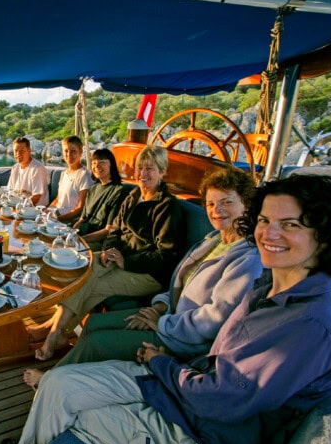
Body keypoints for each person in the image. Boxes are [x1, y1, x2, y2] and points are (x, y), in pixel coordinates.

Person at [14, 174, 331, 444]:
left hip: (200, 427)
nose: (269, 234)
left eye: (290, 225)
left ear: (325, 234)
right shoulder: (269, 286)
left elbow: (222, 400)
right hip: (180, 383)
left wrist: (160, 361)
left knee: (75, 416)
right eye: (265, 220)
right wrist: (166, 349)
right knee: (59, 385)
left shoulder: (311, 325)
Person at [23, 168, 262, 388]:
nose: (215, 210)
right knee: (94, 323)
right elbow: (179, 287)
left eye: (226, 202)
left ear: (246, 204)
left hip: (181, 341)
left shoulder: (247, 259)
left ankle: (52, 380)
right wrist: (158, 308)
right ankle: (73, 372)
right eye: (210, 203)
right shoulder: (213, 241)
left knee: (96, 341)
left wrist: (160, 322)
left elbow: (214, 320)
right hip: (167, 318)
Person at [28, 145, 185, 360]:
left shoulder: (167, 207)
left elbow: (165, 256)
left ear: (162, 171)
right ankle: (54, 330)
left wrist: (125, 262)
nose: (143, 174)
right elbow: (115, 231)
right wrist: (110, 250)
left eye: (150, 169)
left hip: (147, 274)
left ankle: (53, 335)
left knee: (93, 284)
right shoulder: (133, 196)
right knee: (85, 273)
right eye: (140, 168)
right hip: (120, 259)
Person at [71, 148, 126, 249]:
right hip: (83, 234)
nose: (97, 166)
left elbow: (108, 230)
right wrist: (70, 234)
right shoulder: (93, 188)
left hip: (98, 241)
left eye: (102, 162)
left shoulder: (118, 191)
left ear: (111, 165)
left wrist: (81, 240)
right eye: (94, 163)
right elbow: (82, 219)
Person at [47, 136, 94, 222]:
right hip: (56, 215)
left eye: (73, 151)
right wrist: (46, 211)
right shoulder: (64, 173)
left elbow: (80, 208)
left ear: (80, 152)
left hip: (69, 220)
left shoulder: (84, 175)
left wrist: (57, 219)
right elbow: (58, 199)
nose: (69, 154)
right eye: (66, 151)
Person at [7, 137, 49, 206]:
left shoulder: (38, 169)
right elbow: (10, 190)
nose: (18, 154)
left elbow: (36, 197)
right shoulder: (15, 168)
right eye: (16, 151)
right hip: (18, 205)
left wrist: (20, 208)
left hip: (35, 209)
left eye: (22, 151)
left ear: (29, 150)